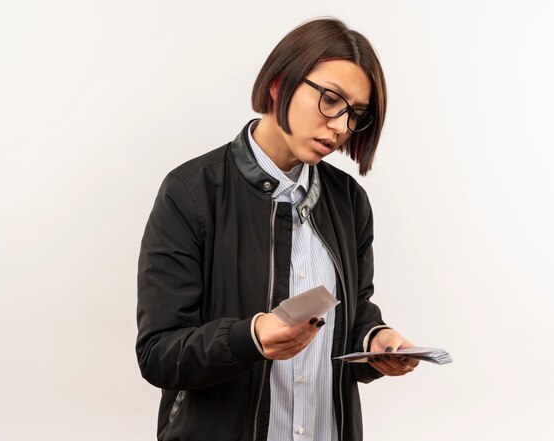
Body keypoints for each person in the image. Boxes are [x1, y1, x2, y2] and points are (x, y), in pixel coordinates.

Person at [136, 17, 420, 441]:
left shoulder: (349, 201)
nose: (341, 127)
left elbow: (353, 311)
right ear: (278, 84)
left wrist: (376, 340)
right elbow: (158, 353)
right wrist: (249, 338)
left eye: (355, 114)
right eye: (330, 99)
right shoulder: (192, 193)